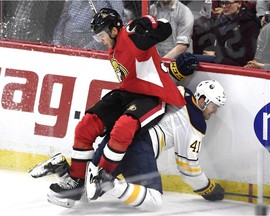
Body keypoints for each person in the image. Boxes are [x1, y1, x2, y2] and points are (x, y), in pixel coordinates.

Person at [30, 7, 198, 205]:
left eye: (102, 34)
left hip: (152, 95)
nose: (100, 39)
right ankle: (76, 181)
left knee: (123, 128)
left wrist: (149, 23)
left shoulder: (132, 36)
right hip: (127, 93)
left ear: (114, 30)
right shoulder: (114, 42)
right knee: (86, 125)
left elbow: (164, 29)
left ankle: (101, 176)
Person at [30, 80, 226, 210]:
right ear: (202, 100)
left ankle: (63, 168)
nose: (214, 111)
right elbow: (188, 168)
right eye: (213, 105)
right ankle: (108, 182)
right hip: (139, 147)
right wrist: (207, 189)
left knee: (85, 192)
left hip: (119, 134)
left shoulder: (181, 91)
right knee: (154, 201)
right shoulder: (196, 124)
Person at [201, 0, 260, 66]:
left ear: (239, 3)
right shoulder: (221, 22)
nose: (224, 6)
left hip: (237, 66)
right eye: (222, 3)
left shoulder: (250, 24)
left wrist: (216, 53)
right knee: (193, 59)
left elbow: (246, 56)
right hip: (221, 60)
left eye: (228, 3)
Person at [52, 0, 125, 50]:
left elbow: (115, 30)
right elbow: (62, 20)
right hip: (64, 50)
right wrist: (57, 42)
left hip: (90, 55)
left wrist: (86, 50)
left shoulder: (111, 2)